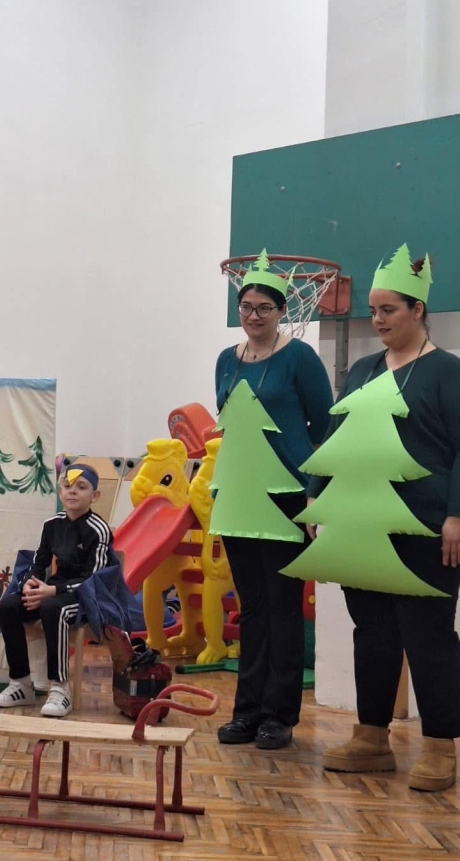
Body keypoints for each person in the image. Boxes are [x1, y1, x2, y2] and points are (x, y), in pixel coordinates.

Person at [311, 246, 460, 791]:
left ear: (418, 310)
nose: (377, 320)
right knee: (372, 633)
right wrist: (317, 496)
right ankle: (371, 737)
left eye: (388, 310)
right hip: (363, 529)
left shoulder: (448, 371)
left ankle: (440, 746)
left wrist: (456, 515)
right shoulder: (363, 371)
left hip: (426, 530)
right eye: (373, 310)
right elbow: (336, 439)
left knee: (429, 636)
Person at [210, 251, 333, 750]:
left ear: (282, 310)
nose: (254, 315)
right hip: (238, 497)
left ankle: (278, 716)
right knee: (252, 607)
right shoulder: (226, 360)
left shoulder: (299, 357)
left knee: (283, 608)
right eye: (247, 306)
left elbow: (326, 427)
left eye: (264, 307)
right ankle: (246, 712)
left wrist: (315, 493)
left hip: (287, 497)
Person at [0, 463, 111, 718]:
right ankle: (21, 684)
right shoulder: (52, 525)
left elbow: (94, 579)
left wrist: (52, 591)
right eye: (67, 486)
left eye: (81, 487)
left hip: (85, 596)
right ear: (60, 492)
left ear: (95, 495)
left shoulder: (99, 530)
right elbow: (39, 563)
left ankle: (59, 687)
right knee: (9, 606)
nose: (72, 491)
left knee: (52, 608)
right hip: (53, 589)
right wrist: (30, 584)